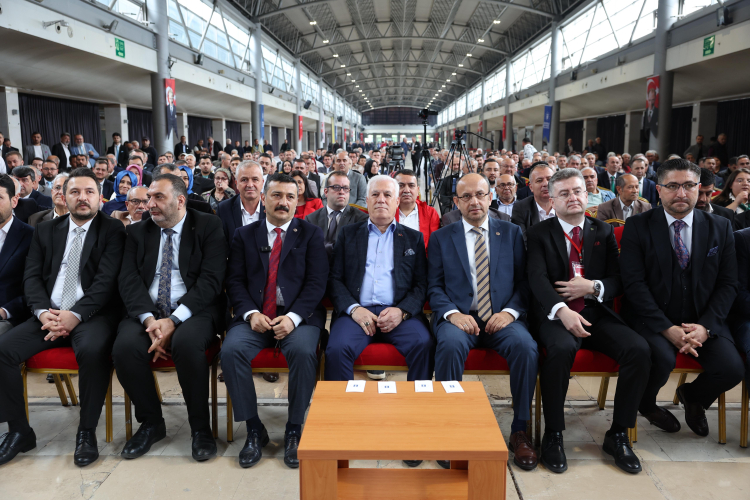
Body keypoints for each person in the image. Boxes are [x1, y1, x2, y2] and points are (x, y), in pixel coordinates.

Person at [0, 168, 126, 467]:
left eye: (89, 192)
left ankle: (86, 432)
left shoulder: (113, 230)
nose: (82, 198)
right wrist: (44, 313)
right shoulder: (46, 230)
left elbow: (106, 282)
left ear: (99, 197)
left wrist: (76, 315)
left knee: (92, 351)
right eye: (75, 192)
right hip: (49, 313)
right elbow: (31, 278)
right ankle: (19, 431)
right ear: (63, 196)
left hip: (93, 315)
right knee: (3, 350)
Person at [527, 168, 649, 474]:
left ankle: (618, 434)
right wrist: (562, 310)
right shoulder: (538, 233)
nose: (572, 197)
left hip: (596, 313)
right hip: (556, 316)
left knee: (638, 349)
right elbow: (536, 279)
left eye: (577, 191)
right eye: (564, 193)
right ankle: (554, 434)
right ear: (552, 200)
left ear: (587, 195)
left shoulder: (602, 231)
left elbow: (619, 279)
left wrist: (593, 287)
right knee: (559, 350)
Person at [620, 158, 744, 438]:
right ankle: (646, 404)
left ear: (699, 188)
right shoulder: (638, 226)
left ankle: (694, 396)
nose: (681, 193)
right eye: (672, 186)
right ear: (658, 189)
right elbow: (634, 284)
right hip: (652, 319)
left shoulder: (720, 226)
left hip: (702, 318)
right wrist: (666, 328)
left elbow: (728, 284)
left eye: (688, 185)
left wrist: (706, 327)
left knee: (731, 369)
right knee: (661, 358)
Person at [428, 173, 539, 471]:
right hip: (459, 317)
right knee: (449, 345)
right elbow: (434, 286)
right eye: (466, 196)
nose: (474, 201)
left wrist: (510, 312)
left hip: (502, 316)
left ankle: (520, 429)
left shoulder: (511, 233)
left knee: (526, 347)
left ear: (490, 197)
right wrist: (452, 313)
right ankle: (450, 427)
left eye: (480, 194)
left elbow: (524, 282)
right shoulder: (441, 238)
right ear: (456, 202)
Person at [113, 174, 227, 462]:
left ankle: (200, 428)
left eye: (158, 197)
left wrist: (174, 320)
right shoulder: (137, 232)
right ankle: (152, 423)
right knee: (124, 347)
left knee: (187, 344)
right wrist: (150, 321)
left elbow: (211, 281)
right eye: (148, 197)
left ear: (180, 201)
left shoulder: (208, 225)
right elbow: (128, 280)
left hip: (194, 310)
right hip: (148, 312)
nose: (149, 204)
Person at [222, 173, 327, 469]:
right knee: (231, 351)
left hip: (298, 317)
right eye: (277, 195)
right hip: (255, 315)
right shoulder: (244, 235)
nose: (283, 202)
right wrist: (250, 313)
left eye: (290, 197)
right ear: (264, 198)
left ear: (297, 201)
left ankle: (294, 428)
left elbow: (317, 283)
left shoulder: (311, 234)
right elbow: (235, 281)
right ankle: (254, 429)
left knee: (304, 352)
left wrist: (293, 318)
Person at [325, 175, 434, 396]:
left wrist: (402, 311)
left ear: (397, 201)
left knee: (424, 344)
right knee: (337, 349)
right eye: (375, 194)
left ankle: (418, 409)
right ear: (367, 200)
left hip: (399, 314)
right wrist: (354, 309)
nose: (381, 199)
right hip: (356, 313)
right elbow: (334, 279)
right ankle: (341, 413)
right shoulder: (348, 234)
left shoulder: (412, 238)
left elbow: (421, 284)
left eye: (387, 195)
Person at [0, 175, 34, 336]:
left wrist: (4, 311)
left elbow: (35, 288)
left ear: (14, 201)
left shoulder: (32, 237)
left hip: (8, 316)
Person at [305, 170, 367, 258]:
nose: (341, 192)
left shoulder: (361, 219)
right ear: (326, 192)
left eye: (345, 188)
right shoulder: (311, 219)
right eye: (336, 187)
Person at [393, 169, 439, 249]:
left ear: (417, 190)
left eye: (411, 186)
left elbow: (434, 246)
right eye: (401, 186)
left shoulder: (430, 213)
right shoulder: (386, 212)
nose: (406, 190)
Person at [511, 163, 555, 241]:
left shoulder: (564, 204)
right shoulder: (520, 208)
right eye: (539, 180)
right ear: (531, 187)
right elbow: (522, 241)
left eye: (549, 179)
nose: (546, 184)